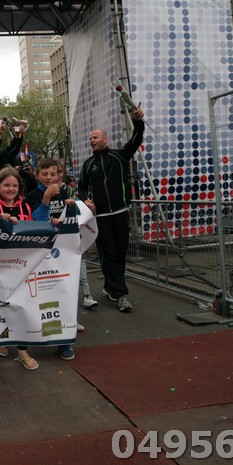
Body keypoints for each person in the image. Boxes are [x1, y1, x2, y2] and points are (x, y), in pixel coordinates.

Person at [78, 105, 145, 312]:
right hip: (101, 217)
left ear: (105, 140)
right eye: (90, 138)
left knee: (120, 253)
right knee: (109, 255)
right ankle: (121, 295)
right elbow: (81, 187)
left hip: (121, 213)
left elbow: (136, 140)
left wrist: (138, 122)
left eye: (95, 137)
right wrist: (85, 200)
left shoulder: (120, 156)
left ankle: (110, 286)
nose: (92, 140)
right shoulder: (88, 164)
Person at [0, 166, 43, 369]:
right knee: (0, 305)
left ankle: (22, 352)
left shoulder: (25, 207)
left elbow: (33, 232)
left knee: (21, 306)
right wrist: (2, 222)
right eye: (6, 185)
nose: (11, 189)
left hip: (22, 265)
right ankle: (1, 338)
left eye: (14, 185)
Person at [28, 158, 98, 310]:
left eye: (52, 174)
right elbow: (38, 218)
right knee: (51, 279)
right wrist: (46, 198)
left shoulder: (63, 192)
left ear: (58, 176)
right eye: (44, 174)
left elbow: (72, 210)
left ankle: (85, 297)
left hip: (66, 240)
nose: (49, 177)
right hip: (46, 245)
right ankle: (52, 309)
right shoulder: (33, 195)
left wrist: (83, 206)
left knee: (75, 267)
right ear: (37, 175)